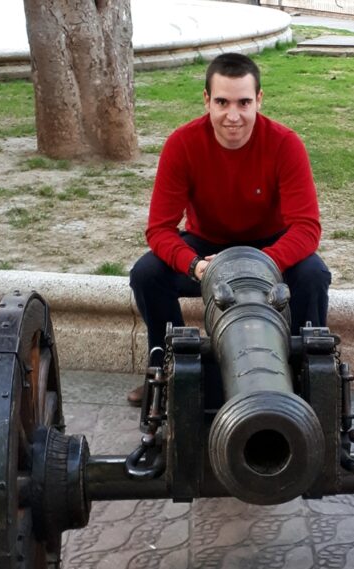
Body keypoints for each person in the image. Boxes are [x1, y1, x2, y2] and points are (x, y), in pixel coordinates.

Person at [127, 53, 331, 406]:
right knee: (146, 274)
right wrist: (195, 266)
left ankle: (303, 374)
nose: (233, 115)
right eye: (222, 102)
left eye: (243, 102)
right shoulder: (182, 144)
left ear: (259, 100)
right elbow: (159, 229)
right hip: (207, 249)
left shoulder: (285, 144)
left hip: (269, 249)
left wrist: (262, 263)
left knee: (313, 274)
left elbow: (307, 227)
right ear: (207, 100)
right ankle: (167, 371)